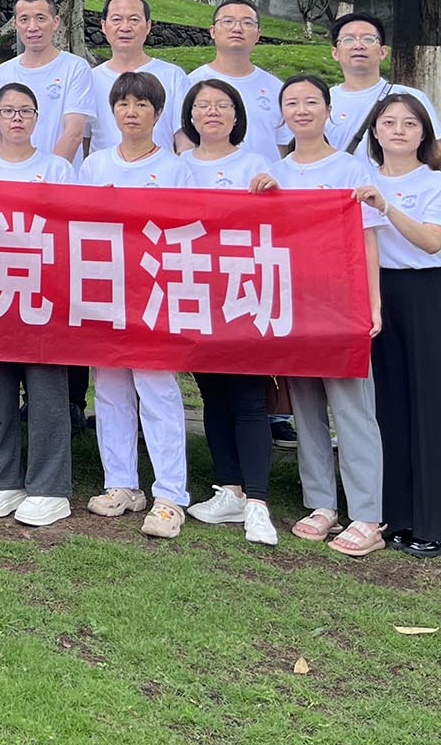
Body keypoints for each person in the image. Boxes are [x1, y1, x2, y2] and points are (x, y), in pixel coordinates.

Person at [253, 75, 387, 556]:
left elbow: (368, 239)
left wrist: (373, 303)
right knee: (306, 405)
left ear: (329, 111)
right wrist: (259, 199)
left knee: (352, 409)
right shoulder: (274, 172)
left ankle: (367, 514)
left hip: (341, 302)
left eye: (311, 101)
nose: (302, 110)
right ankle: (321, 503)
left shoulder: (351, 170)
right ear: (281, 114)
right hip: (294, 303)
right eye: (292, 103)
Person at [357, 92, 441, 557]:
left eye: (409, 123)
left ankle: (438, 522)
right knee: (386, 406)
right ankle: (395, 514)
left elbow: (430, 241)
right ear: (375, 130)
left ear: (424, 132)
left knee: (434, 405)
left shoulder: (440, 184)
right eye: (389, 122)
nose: (399, 130)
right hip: (374, 292)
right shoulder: (358, 177)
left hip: (426, 295)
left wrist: (386, 207)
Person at [75, 71, 191, 537]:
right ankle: (121, 483)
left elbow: (188, 231)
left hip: (155, 291)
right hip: (104, 289)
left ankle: (170, 495)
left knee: (157, 388)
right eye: (123, 103)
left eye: (142, 105)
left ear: (158, 114)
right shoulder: (95, 165)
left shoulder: (176, 169)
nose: (131, 112)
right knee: (109, 387)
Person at [173, 77, 280, 546]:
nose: (212, 112)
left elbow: (280, 222)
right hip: (196, 290)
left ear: (237, 115)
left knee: (248, 397)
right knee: (212, 394)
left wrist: (273, 192)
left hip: (243, 289)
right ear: (190, 117)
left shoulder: (255, 164)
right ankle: (230, 489)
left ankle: (257, 501)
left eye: (222, 105)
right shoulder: (178, 166)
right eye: (202, 105)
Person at [0, 82, 78, 528]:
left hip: (44, 293)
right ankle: (5, 480)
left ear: (37, 118)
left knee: (46, 391)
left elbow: (73, 227)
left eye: (25, 111)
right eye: (8, 111)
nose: (16, 118)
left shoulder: (57, 168)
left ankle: (50, 487)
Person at [0, 0, 97, 161]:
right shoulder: (1, 73)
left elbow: (74, 133)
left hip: (59, 173)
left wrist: (48, 172)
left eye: (40, 18)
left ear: (55, 22)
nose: (32, 27)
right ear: (16, 24)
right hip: (13, 174)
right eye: (24, 19)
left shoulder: (75, 68)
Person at [327, 12, 441, 153]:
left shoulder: (411, 97)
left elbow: (436, 155)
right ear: (335, 53)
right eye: (348, 40)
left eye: (368, 39)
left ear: (383, 52)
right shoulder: (321, 102)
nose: (358, 45)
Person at [183, 0, 285, 164]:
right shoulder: (191, 84)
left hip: (266, 178)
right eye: (228, 21)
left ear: (258, 34)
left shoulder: (276, 88)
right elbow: (184, 140)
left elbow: (283, 145)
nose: (237, 29)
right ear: (213, 31)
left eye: (247, 23)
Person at [89, 0, 189, 155]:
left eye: (134, 20)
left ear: (148, 26)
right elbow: (84, 137)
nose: (125, 27)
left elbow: (184, 137)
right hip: (103, 171)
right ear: (103, 26)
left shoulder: (173, 76)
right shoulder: (90, 79)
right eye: (116, 20)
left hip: (160, 170)